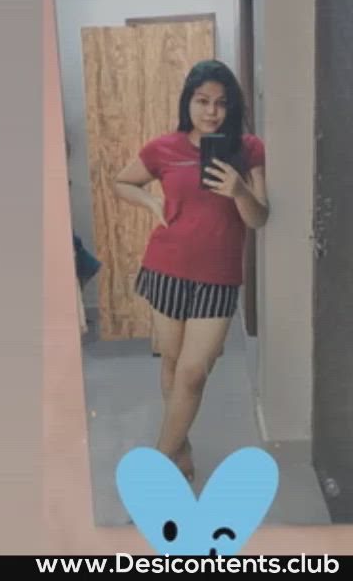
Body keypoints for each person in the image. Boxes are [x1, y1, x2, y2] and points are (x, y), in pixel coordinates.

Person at [114, 59, 269, 482]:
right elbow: (122, 182)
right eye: (203, 101)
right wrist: (150, 201)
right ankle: (180, 450)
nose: (212, 111)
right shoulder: (164, 148)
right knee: (171, 361)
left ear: (232, 106)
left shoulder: (249, 148)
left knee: (194, 372)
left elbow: (258, 219)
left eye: (221, 102)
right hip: (166, 268)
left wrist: (239, 190)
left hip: (218, 277)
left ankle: (159, 465)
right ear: (189, 102)